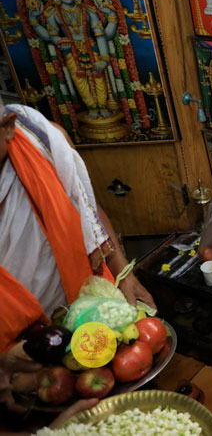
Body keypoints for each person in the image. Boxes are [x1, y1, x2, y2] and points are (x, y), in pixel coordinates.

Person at [0, 99, 155, 355]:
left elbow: (88, 211)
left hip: (86, 311)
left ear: (8, 127)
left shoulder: (42, 139)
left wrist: (123, 272)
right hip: (12, 349)